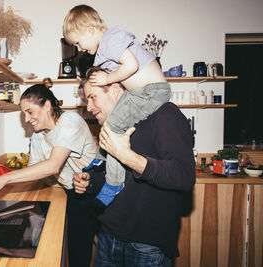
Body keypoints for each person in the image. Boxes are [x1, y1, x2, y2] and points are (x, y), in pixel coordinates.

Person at [73, 67, 196, 266]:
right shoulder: (111, 127)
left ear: (114, 90)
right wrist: (89, 182)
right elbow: (111, 176)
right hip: (107, 237)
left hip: (147, 247)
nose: (89, 107)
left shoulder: (164, 114)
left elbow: (184, 176)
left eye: (92, 97)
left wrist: (128, 157)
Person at [0, 79, 100, 267]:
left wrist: (5, 178)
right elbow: (33, 175)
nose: (26, 119)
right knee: (78, 249)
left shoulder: (70, 121)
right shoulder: (38, 135)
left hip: (96, 189)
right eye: (24, 113)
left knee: (95, 248)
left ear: (48, 105)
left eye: (30, 112)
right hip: (73, 191)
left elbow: (53, 166)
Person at [63, 5, 171, 207]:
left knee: (112, 128)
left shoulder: (110, 40)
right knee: (110, 127)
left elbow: (132, 66)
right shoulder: (105, 49)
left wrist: (107, 78)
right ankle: (101, 160)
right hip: (139, 92)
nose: (79, 49)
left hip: (151, 91)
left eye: (78, 43)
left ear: (90, 30)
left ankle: (114, 183)